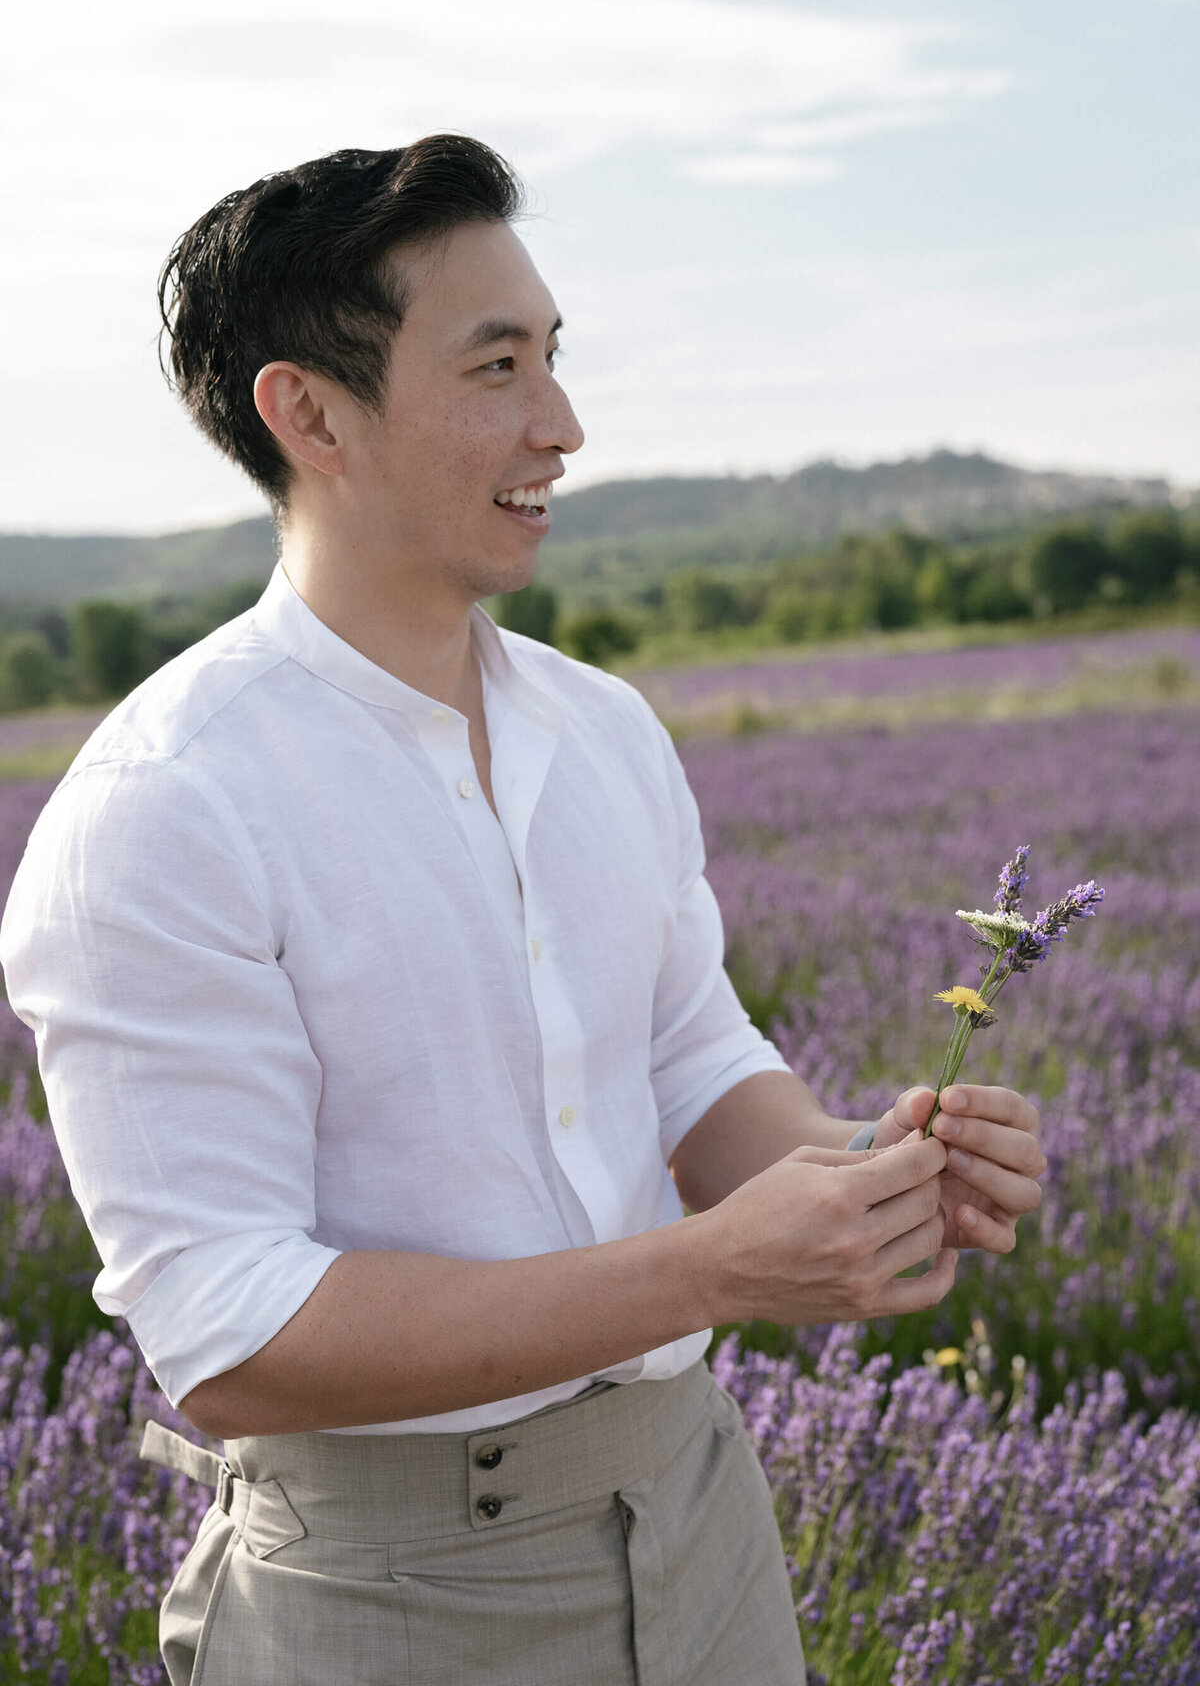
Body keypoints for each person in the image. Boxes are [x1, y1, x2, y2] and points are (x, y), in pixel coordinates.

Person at [0, 135, 1046, 1686]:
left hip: (700, 1514)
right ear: (309, 413)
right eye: (497, 367)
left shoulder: (606, 729)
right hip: (390, 1592)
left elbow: (689, 1060)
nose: (562, 425)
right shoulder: (164, 808)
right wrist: (717, 1270)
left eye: (553, 357)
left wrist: (867, 1173)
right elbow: (229, 1338)